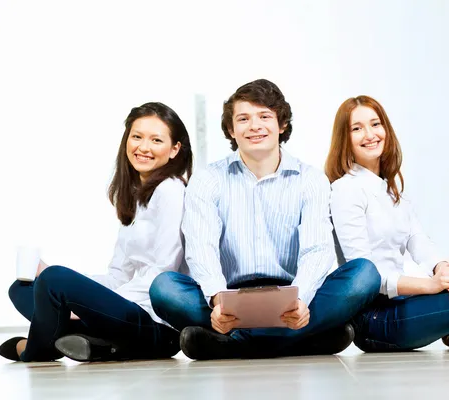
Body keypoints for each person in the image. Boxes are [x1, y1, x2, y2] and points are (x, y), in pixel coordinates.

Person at [149, 79, 381, 360]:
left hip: (292, 294)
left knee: (364, 275)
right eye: (243, 119)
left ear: (281, 125)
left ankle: (234, 343)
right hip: (230, 295)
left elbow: (317, 250)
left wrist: (301, 301)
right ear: (232, 130)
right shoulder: (207, 179)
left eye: (264, 116)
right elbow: (201, 248)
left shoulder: (310, 179)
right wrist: (217, 300)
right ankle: (304, 339)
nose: (254, 126)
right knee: (164, 288)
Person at [326, 95, 449, 352]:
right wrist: (431, 285)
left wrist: (444, 270)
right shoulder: (345, 190)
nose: (369, 134)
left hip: (405, 299)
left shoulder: (391, 190)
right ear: (345, 139)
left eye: (375, 124)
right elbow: (364, 276)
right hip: (375, 318)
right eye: (357, 128)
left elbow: (418, 240)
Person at [0, 102, 193, 362]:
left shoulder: (171, 191)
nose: (143, 147)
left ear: (174, 149)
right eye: (137, 137)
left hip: (154, 323)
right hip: (122, 313)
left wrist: (86, 307)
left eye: (156, 140)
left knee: (56, 280)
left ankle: (34, 349)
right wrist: (49, 275)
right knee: (22, 288)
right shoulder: (134, 197)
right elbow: (117, 276)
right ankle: (96, 343)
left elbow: (163, 273)